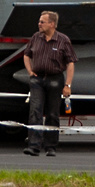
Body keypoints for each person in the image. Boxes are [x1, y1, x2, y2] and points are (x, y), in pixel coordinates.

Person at [22, 10, 76, 158]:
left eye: (42, 22)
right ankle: (33, 146)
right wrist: (29, 72)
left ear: (52, 24)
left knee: (52, 114)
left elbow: (70, 63)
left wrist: (68, 85)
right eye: (39, 21)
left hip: (55, 79)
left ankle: (51, 146)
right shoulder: (35, 37)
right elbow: (26, 55)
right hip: (37, 80)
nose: (39, 24)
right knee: (35, 112)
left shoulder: (63, 40)